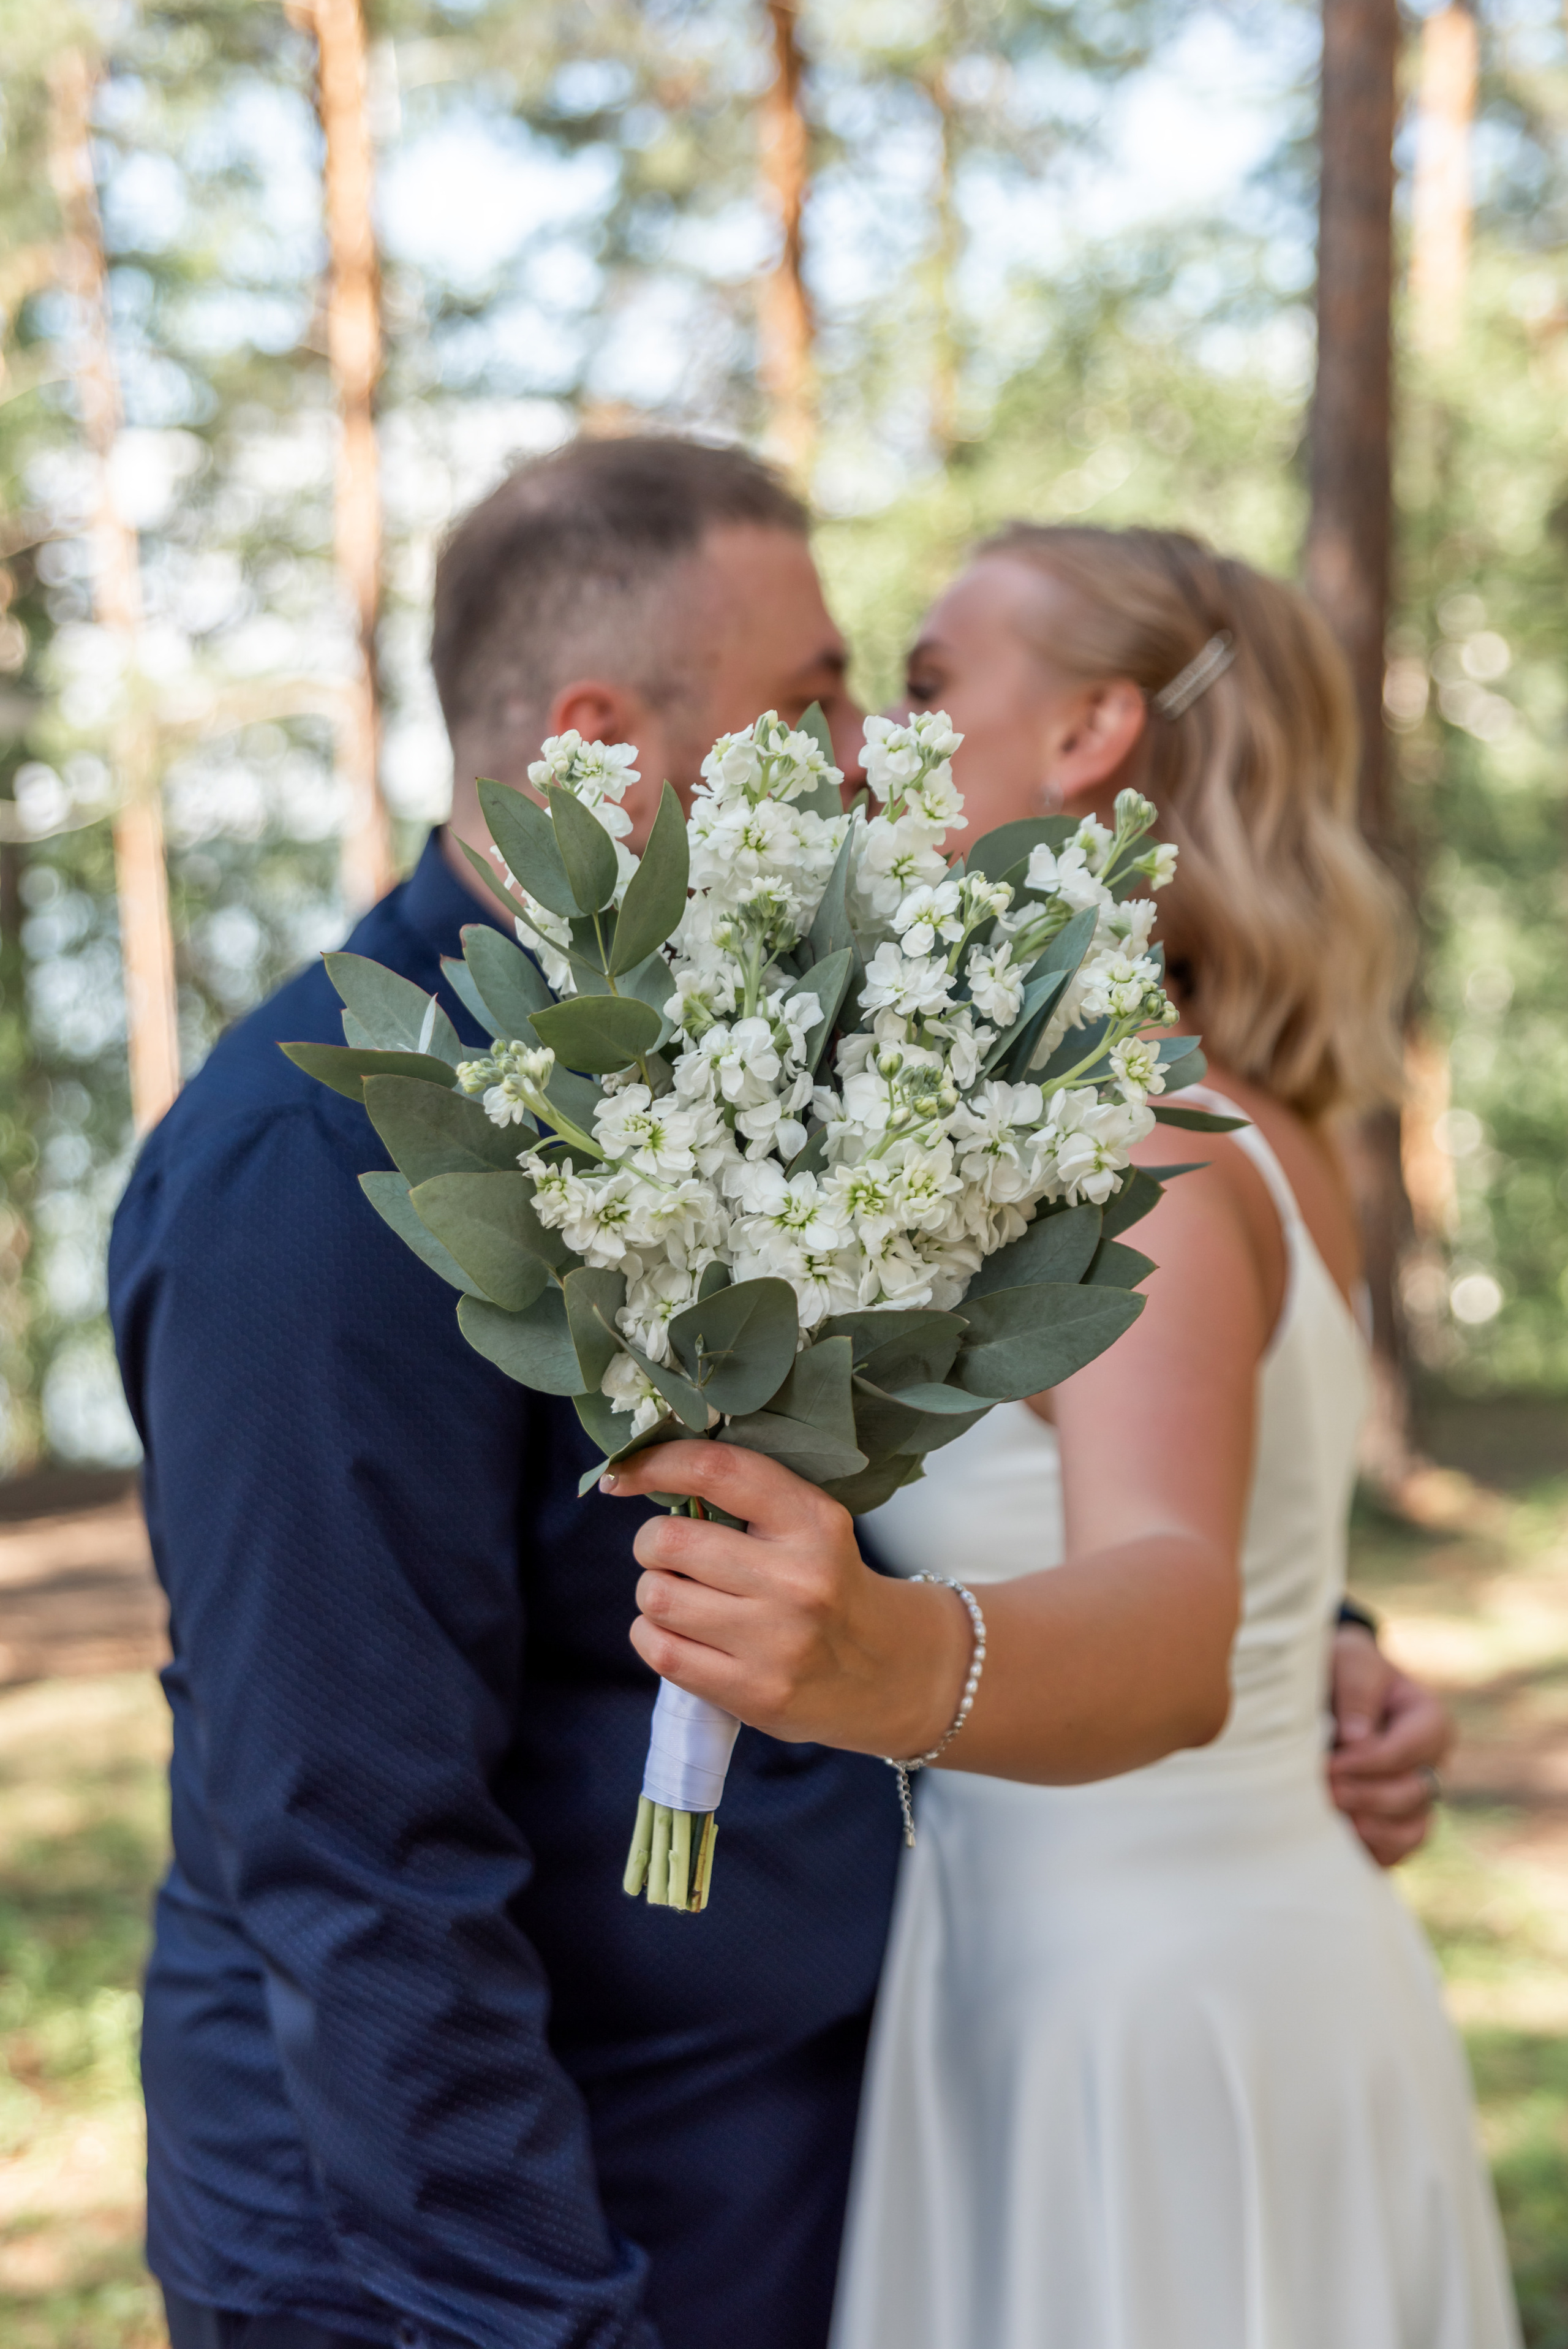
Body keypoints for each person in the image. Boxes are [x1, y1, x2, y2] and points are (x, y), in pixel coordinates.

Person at [110, 443, 1445, 2349]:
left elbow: (987, 1456)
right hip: (483, 2246)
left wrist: (1312, 1640)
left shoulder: (778, 1064)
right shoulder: (319, 1169)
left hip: (806, 2160)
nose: (857, 761)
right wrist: (550, 2320)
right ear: (600, 742)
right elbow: (356, 1852)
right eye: (815, 703)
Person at [610, 527, 1518, 2347]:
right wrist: (1337, 1651)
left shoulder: (1132, 1140)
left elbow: (1178, 1614)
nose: (878, 743)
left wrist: (867, 1657)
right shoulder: (1228, 1115)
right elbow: (1243, 1545)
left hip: (1142, 2028)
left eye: (931, 685)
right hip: (1174, 1956)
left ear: (1096, 729)